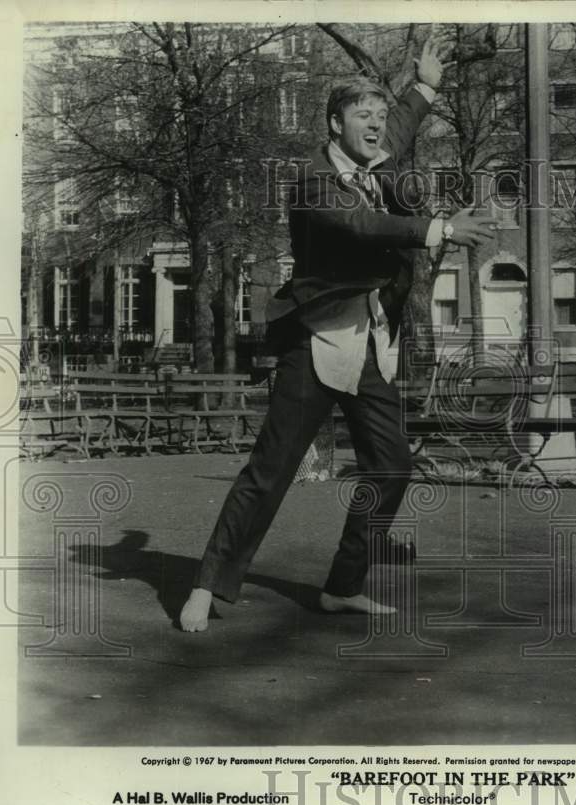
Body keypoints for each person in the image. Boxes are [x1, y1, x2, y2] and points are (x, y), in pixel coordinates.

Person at [179, 37, 495, 631]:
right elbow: (361, 226)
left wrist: (423, 85)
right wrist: (440, 227)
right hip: (316, 342)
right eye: (362, 116)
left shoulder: (377, 151)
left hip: (371, 342)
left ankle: (343, 586)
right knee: (270, 473)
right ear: (334, 124)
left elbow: (398, 125)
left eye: (379, 116)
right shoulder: (313, 181)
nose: (376, 125)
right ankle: (207, 584)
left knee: (392, 467)